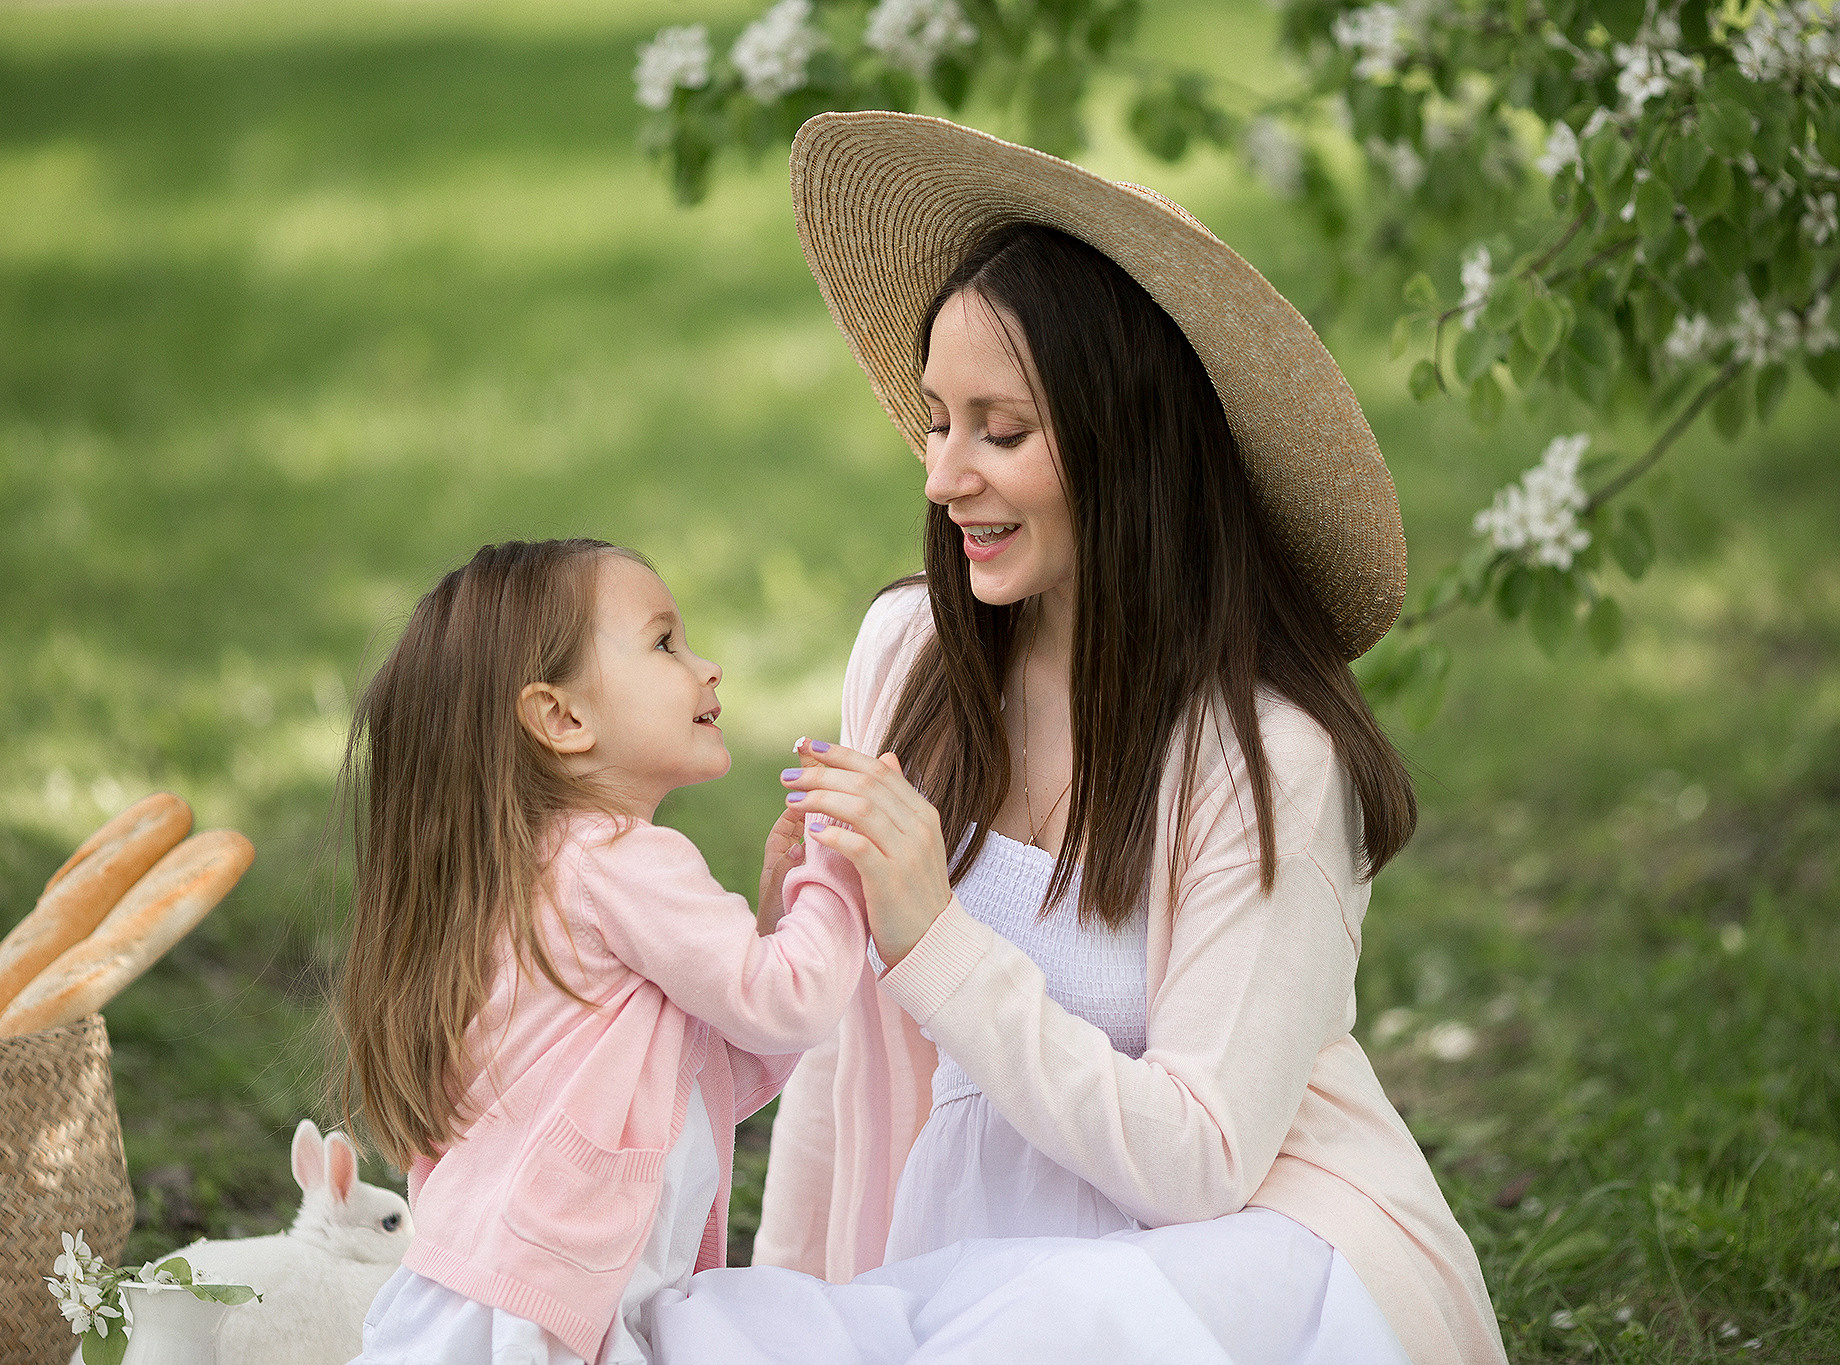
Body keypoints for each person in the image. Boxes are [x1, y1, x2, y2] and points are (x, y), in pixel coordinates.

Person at [643, 113, 1509, 1364]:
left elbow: (1201, 1161)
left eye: (1002, 431)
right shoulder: (908, 659)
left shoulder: (1265, 763)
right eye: (938, 421)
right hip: (979, 1250)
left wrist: (932, 936)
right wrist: (798, 1296)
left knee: (1064, 1322)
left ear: (1127, 452)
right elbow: (845, 1072)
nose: (943, 475)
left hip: (1249, 1258)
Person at [331, 538, 869, 1365]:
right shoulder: (622, 860)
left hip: (501, 1293)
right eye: (664, 643)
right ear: (563, 717)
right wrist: (842, 867)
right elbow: (789, 999)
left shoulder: (537, 872)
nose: (709, 665)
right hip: (549, 1306)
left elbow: (714, 1067)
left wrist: (779, 907)